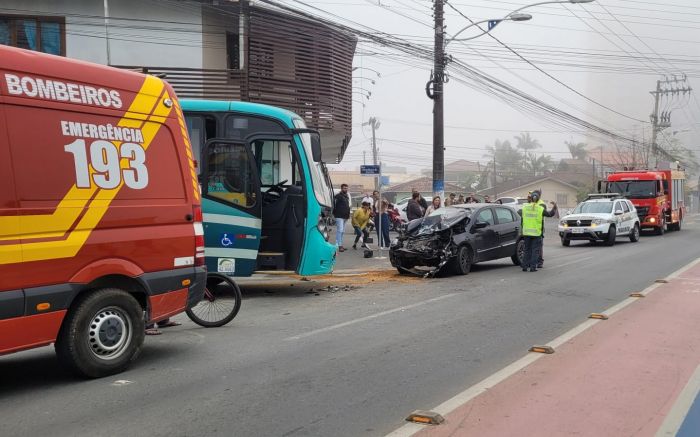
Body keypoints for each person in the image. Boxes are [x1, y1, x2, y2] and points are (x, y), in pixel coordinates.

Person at [519, 191, 556, 272]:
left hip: (526, 233)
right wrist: (555, 207)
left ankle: (524, 267)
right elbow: (550, 214)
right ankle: (533, 267)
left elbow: (518, 214)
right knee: (535, 251)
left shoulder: (525, 208)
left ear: (531, 198)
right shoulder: (540, 209)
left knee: (527, 250)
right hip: (536, 233)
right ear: (538, 199)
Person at [531, 189, 557, 268]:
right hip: (533, 228)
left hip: (537, 228)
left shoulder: (541, 204)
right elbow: (549, 214)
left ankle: (538, 262)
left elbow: (548, 214)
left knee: (537, 246)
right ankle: (535, 262)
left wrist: (554, 208)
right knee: (534, 246)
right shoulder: (533, 203)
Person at [333, 184, 351, 252]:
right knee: (340, 230)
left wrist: (348, 215)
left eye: (346, 188)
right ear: (341, 188)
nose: (345, 189)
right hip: (339, 216)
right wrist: (334, 214)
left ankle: (340, 244)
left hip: (345, 216)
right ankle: (339, 246)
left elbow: (347, 206)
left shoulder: (346, 196)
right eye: (344, 188)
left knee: (342, 231)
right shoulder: (338, 196)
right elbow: (334, 205)